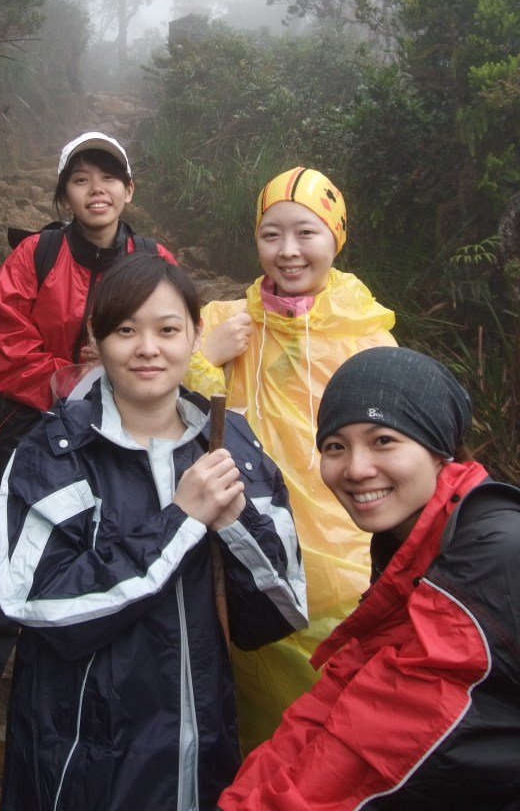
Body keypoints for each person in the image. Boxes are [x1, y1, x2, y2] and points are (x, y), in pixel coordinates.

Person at [0, 252, 307, 811]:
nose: (147, 348)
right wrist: (181, 521)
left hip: (201, 740)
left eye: (167, 329)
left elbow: (278, 612)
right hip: (84, 755)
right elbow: (40, 602)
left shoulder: (230, 442)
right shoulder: (55, 451)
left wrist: (234, 523)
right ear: (95, 337)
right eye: (125, 329)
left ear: (194, 335)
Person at [0, 131, 175, 737]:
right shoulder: (37, 257)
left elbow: (175, 335)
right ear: (64, 194)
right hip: (29, 416)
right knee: (3, 537)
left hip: (119, 423)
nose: (96, 190)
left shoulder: (154, 260)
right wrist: (78, 376)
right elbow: (9, 344)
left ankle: (85, 657)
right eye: (80, 179)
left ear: (129, 189)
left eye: (108, 178)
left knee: (106, 539)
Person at [218, 345, 520, 811]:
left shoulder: (490, 555)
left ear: (438, 449)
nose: (356, 469)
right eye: (336, 446)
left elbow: (388, 741)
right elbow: (338, 701)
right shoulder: (415, 547)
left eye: (384, 440)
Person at [185, 166, 396, 747]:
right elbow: (165, 410)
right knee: (256, 718)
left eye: (306, 233)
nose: (288, 251)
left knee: (337, 726)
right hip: (247, 547)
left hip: (346, 563)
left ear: (337, 237)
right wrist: (203, 358)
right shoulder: (223, 322)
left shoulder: (367, 337)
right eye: (271, 234)